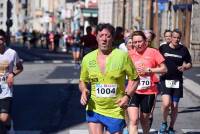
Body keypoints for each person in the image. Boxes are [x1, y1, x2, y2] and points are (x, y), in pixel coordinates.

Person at [79, 23, 139, 134]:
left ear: (113, 38)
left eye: (107, 36)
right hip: (94, 108)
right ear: (96, 37)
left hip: (115, 109)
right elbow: (82, 80)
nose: (104, 39)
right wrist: (84, 90)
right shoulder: (87, 58)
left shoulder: (122, 56)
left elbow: (135, 79)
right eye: (101, 35)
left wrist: (127, 96)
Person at [128, 31, 167, 134]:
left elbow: (164, 69)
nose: (137, 44)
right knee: (133, 120)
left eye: (140, 41)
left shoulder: (153, 52)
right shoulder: (129, 54)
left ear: (145, 41)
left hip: (148, 92)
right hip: (133, 91)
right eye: (135, 42)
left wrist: (149, 70)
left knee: (144, 120)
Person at [159, 29, 192, 134]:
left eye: (178, 38)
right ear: (171, 38)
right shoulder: (163, 48)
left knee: (174, 106)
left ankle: (171, 127)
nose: (176, 39)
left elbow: (189, 63)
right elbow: (156, 60)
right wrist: (158, 69)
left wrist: (185, 67)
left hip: (177, 81)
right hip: (165, 79)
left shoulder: (183, 49)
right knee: (166, 103)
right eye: (174, 37)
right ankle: (164, 122)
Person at [0, 29, 23, 133]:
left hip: (6, 90)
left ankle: (10, 124)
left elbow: (19, 67)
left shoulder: (12, 53)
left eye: (1, 39)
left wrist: (12, 74)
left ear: (4, 39)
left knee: (4, 118)